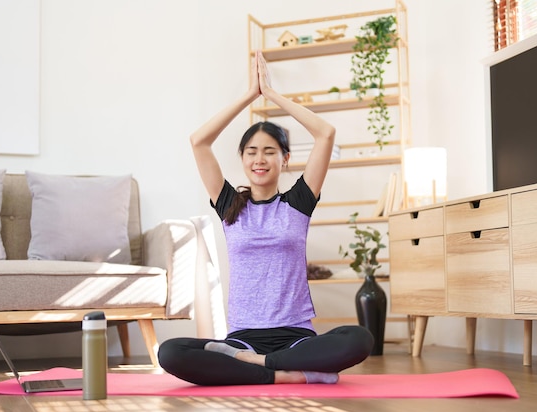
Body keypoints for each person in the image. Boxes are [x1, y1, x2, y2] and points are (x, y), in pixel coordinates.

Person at [157, 51, 374, 386]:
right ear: (242, 159)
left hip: (296, 334)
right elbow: (198, 142)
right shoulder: (230, 204)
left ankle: (260, 366)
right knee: (170, 352)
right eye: (252, 152)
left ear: (285, 159)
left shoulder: (298, 203)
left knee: (359, 339)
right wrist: (249, 95)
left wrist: (272, 95)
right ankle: (287, 375)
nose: (260, 159)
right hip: (242, 336)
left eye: (270, 151)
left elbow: (326, 133)